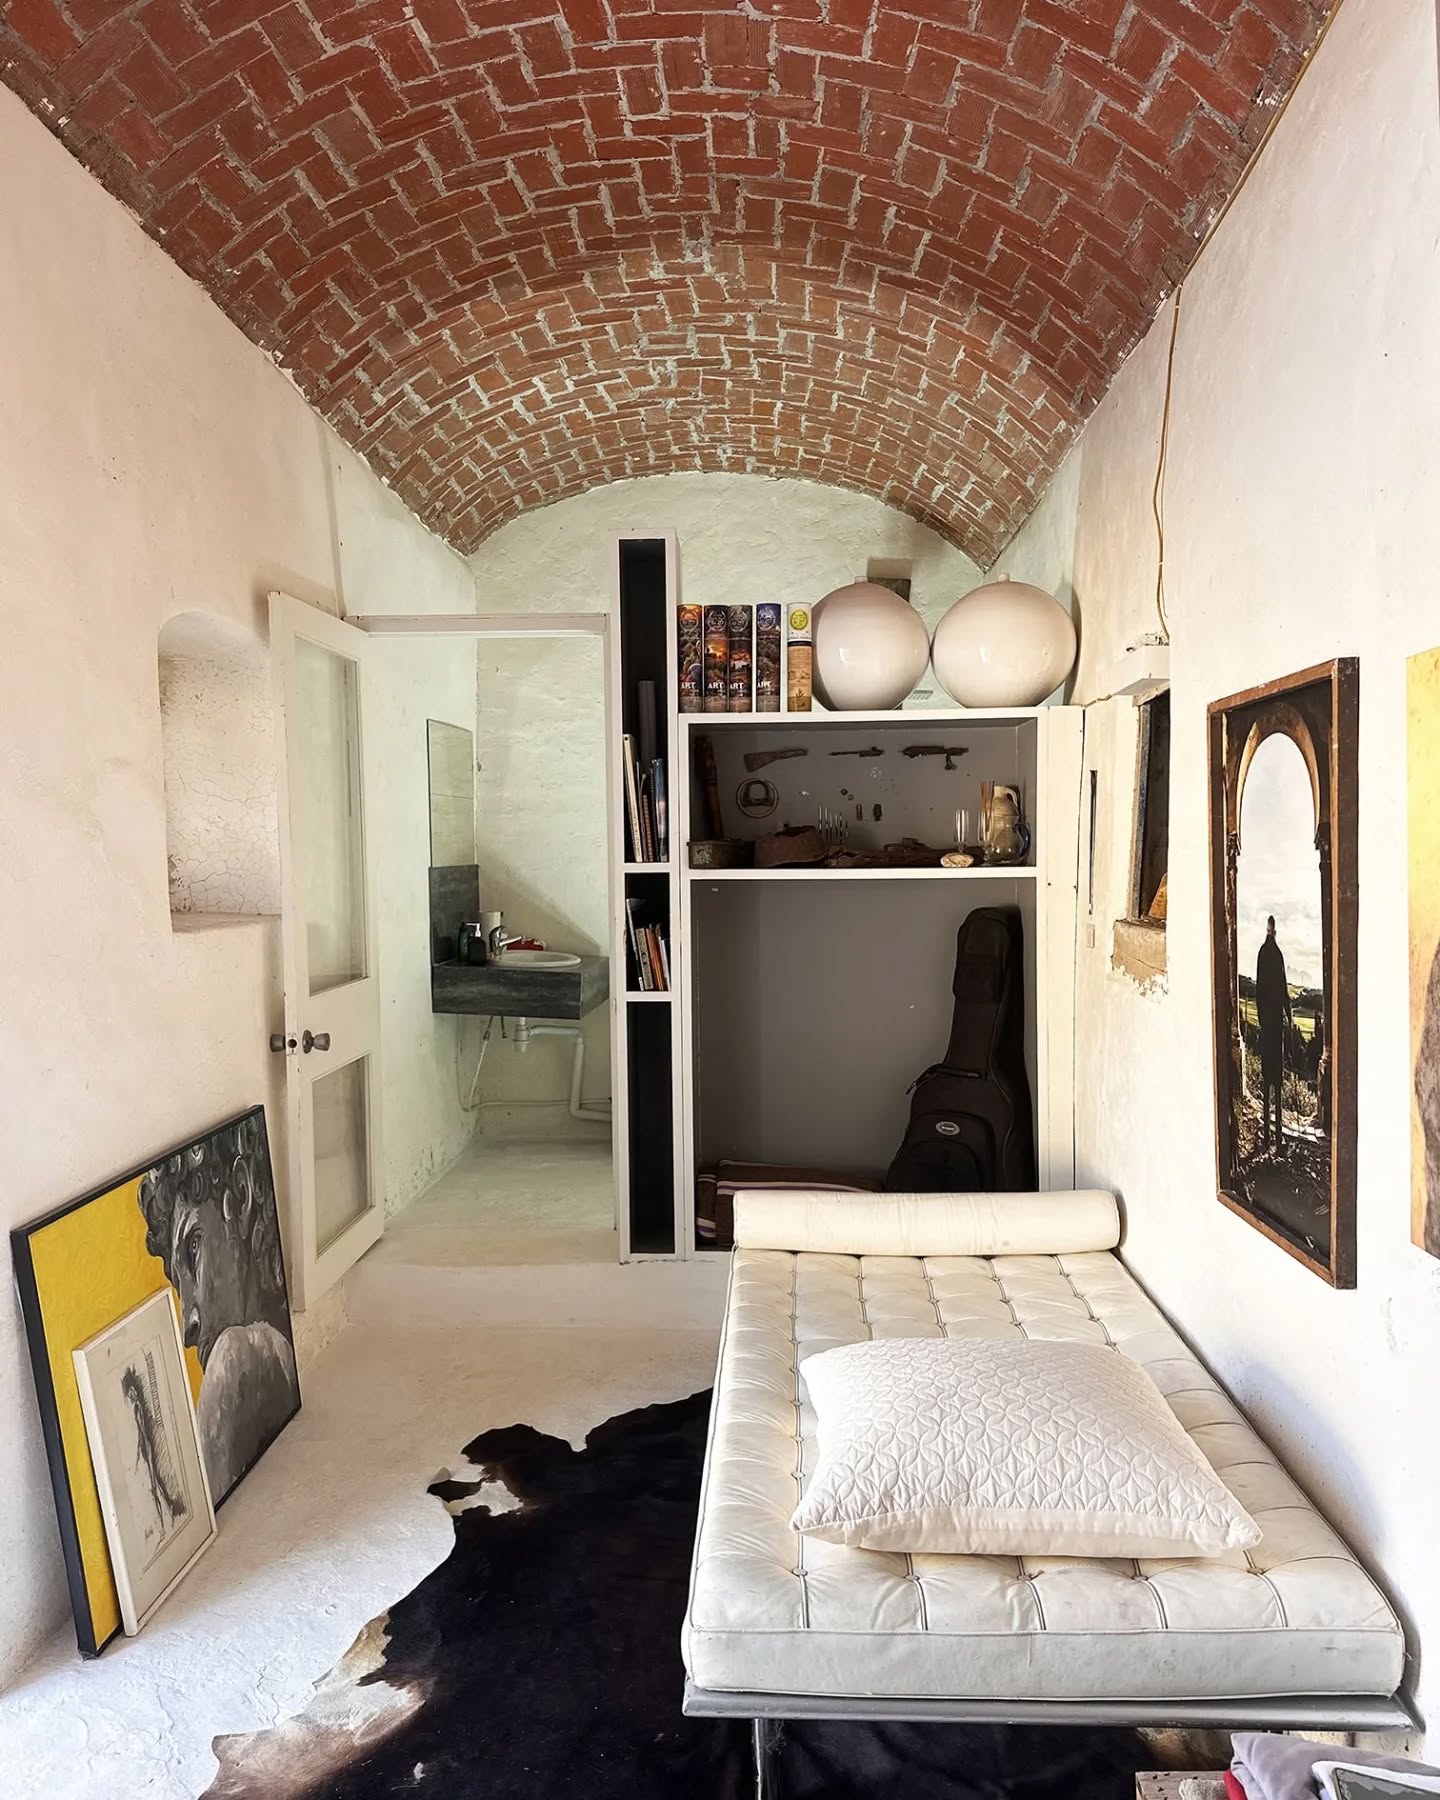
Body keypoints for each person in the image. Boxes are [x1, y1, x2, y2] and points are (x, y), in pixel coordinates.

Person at [138, 1115, 298, 1499]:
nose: (187, 1324)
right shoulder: (275, 1356)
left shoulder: (236, 1358)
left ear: (240, 1197)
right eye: (178, 1285)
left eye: (193, 1249)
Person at [1255, 915, 1293, 1153]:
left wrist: (1262, 1020)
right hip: (1276, 1025)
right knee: (1276, 1081)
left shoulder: (1262, 953)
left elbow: (1259, 989)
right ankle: (1277, 1137)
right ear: (1275, 931)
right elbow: (1283, 986)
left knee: (1266, 1077)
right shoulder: (1277, 954)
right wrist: (1288, 1014)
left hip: (1267, 1025)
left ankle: (1268, 1137)